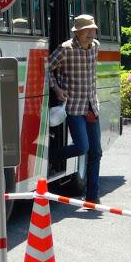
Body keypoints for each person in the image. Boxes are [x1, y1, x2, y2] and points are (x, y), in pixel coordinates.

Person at [46, 14, 103, 203]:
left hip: (91, 106)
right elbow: (46, 67)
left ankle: (92, 198)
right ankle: (50, 156)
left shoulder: (96, 47)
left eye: (93, 29)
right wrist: (56, 88)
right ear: (77, 32)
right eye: (87, 30)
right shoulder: (65, 49)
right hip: (73, 106)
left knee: (96, 152)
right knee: (82, 147)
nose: (91, 33)